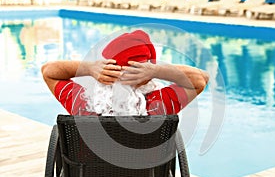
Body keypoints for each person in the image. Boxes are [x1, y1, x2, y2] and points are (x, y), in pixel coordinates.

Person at [41, 29, 209, 116]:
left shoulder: (82, 101)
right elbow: (201, 79)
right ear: (145, 75)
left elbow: (48, 71)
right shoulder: (159, 105)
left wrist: (89, 68)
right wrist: (157, 70)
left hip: (91, 176)